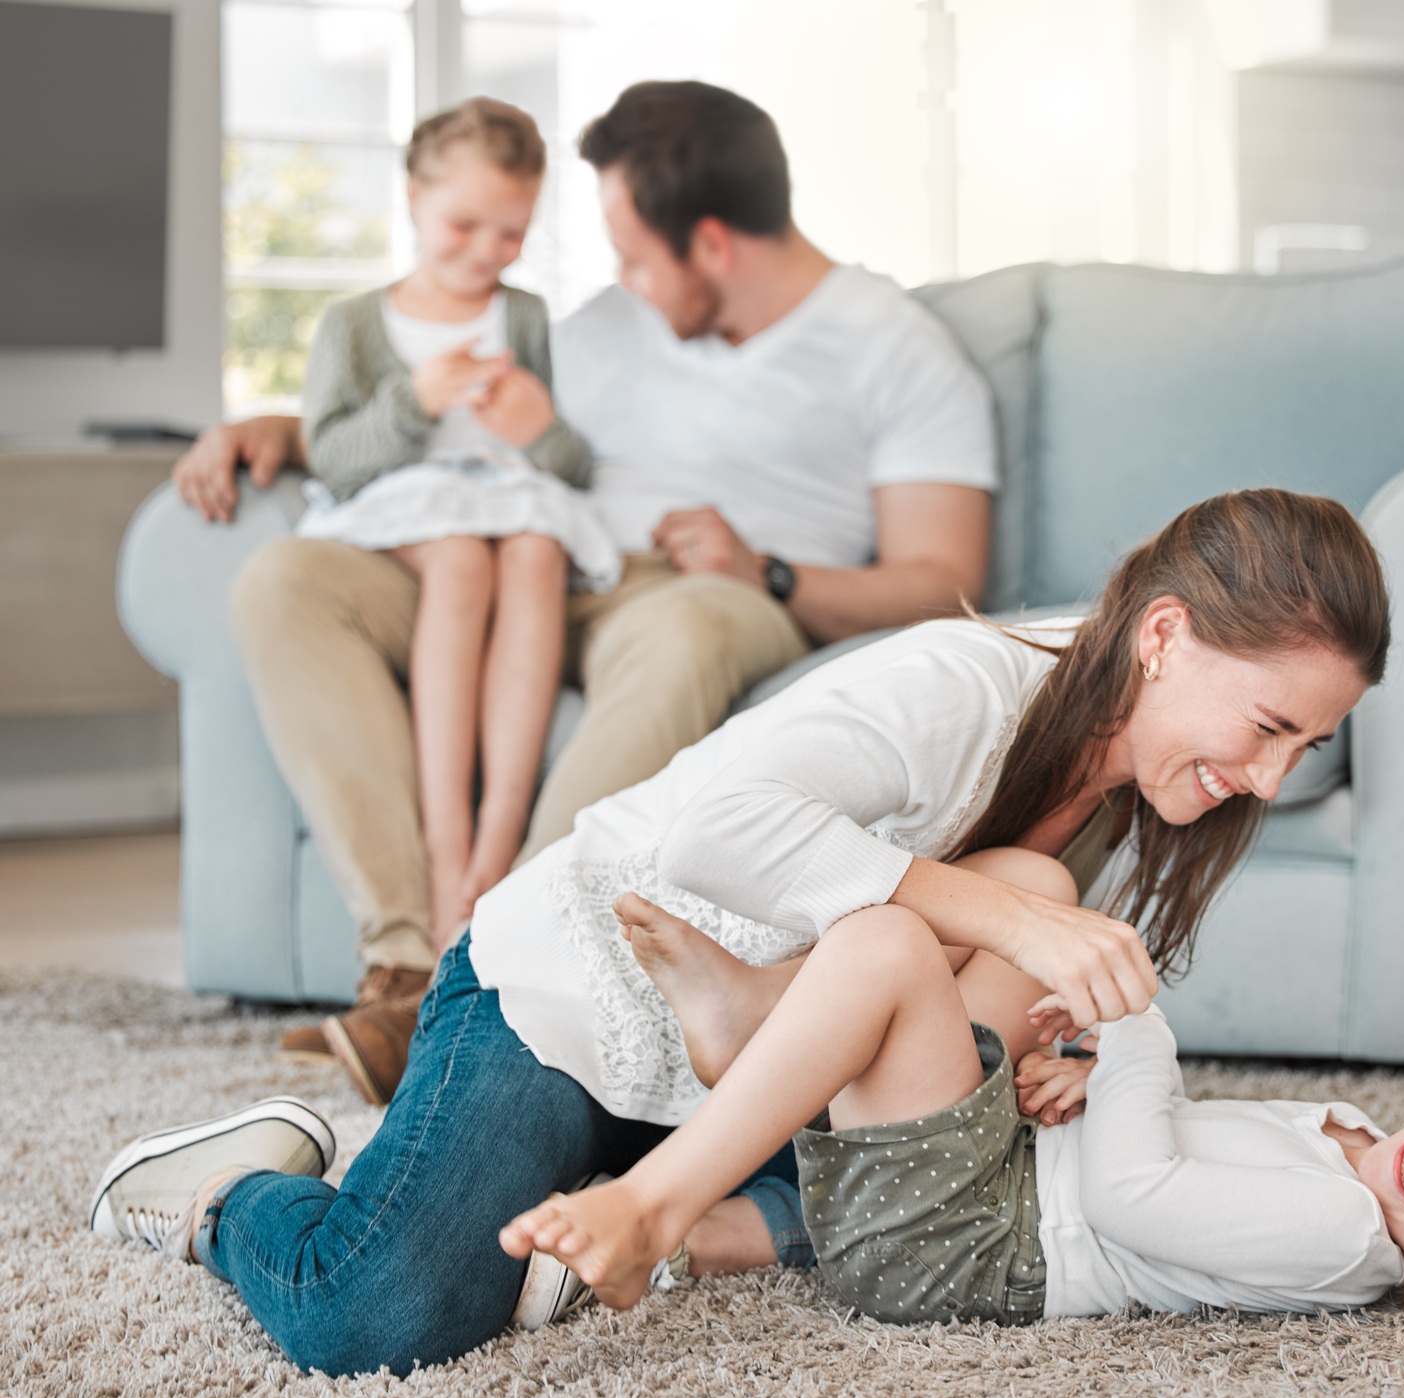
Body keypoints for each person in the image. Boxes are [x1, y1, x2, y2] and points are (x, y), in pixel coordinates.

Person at [90, 488, 1389, 1376]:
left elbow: (973, 1005)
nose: (1272, 781)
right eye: (1270, 728)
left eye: (1308, 748)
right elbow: (715, 829)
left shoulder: (1115, 797)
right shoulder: (963, 686)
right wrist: (1007, 922)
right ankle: (232, 1187)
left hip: (759, 1089)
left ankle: (750, 1041)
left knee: (955, 1219)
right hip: (578, 992)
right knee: (373, 1312)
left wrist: (1059, 1055)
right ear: (1165, 637)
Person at [171, 81, 998, 1103]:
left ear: (710, 244)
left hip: (701, 592)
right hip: (544, 563)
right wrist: (276, 431)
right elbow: (465, 413)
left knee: (689, 629)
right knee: (286, 580)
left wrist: (769, 572)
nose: (615, 277)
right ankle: (400, 956)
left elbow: (948, 578)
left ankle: (479, 964)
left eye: (633, 252)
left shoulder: (892, 346)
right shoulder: (607, 323)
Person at [502, 881, 1404, 1323]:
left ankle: (664, 1202)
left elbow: (1133, 1195)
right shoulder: (1372, 1155)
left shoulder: (1346, 1237)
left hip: (958, 1245)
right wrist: (1087, 1075)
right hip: (1002, 1179)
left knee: (886, 947)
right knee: (1029, 889)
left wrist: (1130, 1029)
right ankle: (766, 1025)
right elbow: (1179, 1142)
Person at [295, 98, 616, 961]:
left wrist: (535, 431)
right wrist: (417, 400)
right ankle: (446, 859)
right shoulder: (356, 326)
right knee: (462, 562)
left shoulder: (523, 319)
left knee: (536, 551)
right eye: (464, 224)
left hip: (513, 501)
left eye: (510, 234)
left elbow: (566, 464)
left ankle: (496, 841)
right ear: (411, 198)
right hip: (406, 505)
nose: (486, 251)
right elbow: (332, 459)